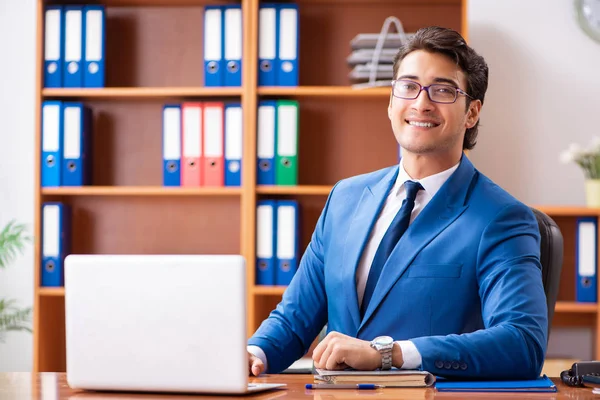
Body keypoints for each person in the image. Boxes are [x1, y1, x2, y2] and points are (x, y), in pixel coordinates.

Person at [247, 26, 547, 380]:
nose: (421, 102)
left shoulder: (501, 218)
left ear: (471, 113)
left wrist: (389, 353)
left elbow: (522, 342)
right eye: (408, 87)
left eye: (443, 91)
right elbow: (294, 320)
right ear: (391, 103)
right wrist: (255, 353)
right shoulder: (345, 198)